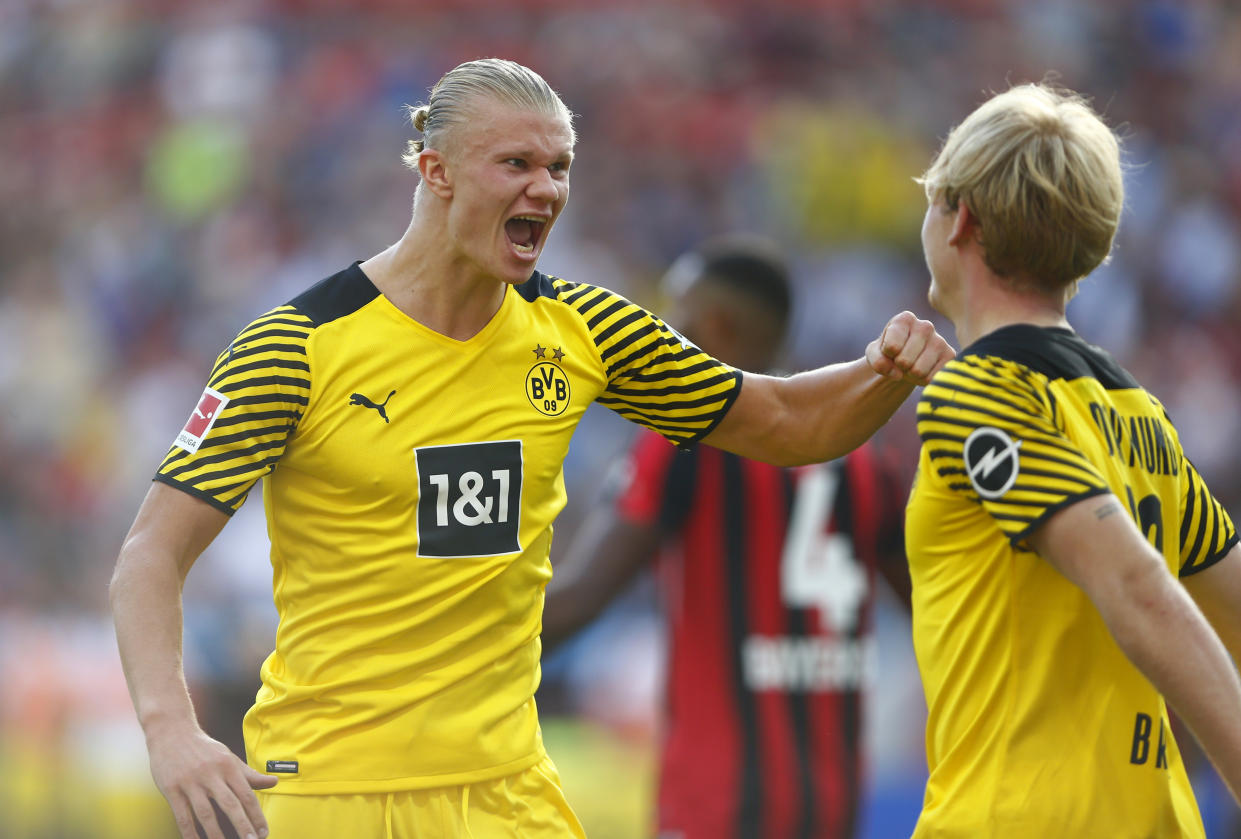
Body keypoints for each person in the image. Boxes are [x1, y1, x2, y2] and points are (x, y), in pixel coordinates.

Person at [109, 58, 954, 839]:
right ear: (434, 170)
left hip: (509, 793)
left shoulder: (583, 327)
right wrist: (171, 729)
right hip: (331, 789)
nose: (546, 190)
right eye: (516, 164)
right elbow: (150, 552)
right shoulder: (297, 344)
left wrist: (885, 368)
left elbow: (779, 420)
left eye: (560, 167)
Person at [906, 81, 1241, 838]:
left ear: (959, 218)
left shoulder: (980, 390)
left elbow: (1137, 586)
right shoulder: (1142, 417)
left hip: (1013, 817)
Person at [542, 235, 912, 839]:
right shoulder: (870, 462)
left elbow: (582, 596)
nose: (663, 337)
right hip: (831, 807)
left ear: (716, 328)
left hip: (714, 807)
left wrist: (445, 635)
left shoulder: (686, 442)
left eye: (677, 321)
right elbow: (936, 616)